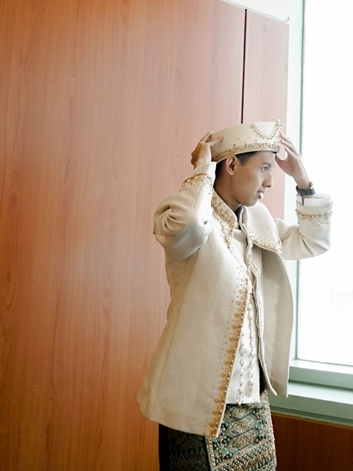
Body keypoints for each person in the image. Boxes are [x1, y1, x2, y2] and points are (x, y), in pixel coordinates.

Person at [137, 120, 332, 471]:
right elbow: (186, 228)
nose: (270, 181)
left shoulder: (259, 222)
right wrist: (202, 169)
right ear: (230, 165)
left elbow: (312, 241)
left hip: (252, 402)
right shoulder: (189, 215)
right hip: (195, 401)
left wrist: (304, 181)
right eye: (264, 168)